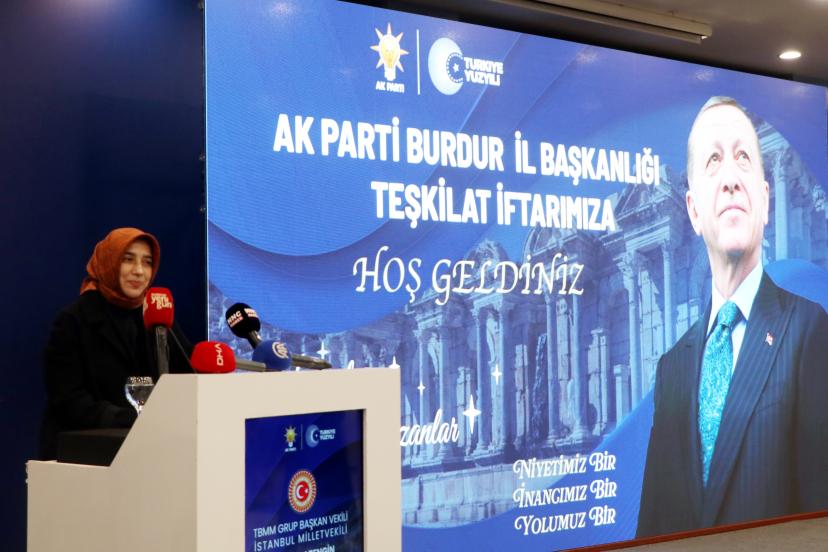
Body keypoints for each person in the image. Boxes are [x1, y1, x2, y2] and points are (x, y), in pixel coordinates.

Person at [636, 97, 828, 536]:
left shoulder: (809, 331)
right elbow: (651, 528)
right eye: (713, 161)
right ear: (693, 210)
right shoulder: (671, 369)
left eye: (744, 157)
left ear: (765, 199)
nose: (730, 179)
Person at [40, 227, 192, 459]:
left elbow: (186, 371)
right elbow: (68, 399)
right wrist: (131, 418)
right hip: (85, 454)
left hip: (150, 450)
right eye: (128, 259)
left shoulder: (157, 316)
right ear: (109, 262)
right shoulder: (73, 320)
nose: (139, 271)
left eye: (147, 262)